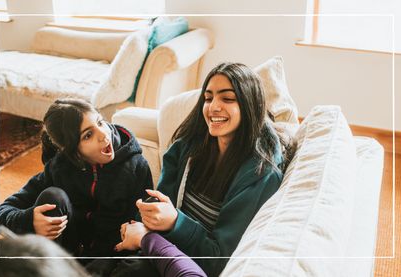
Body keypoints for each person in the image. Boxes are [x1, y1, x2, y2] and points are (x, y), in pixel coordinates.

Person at [116, 62, 295, 276]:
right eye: (208, 98)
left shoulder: (260, 175)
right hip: (155, 249)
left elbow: (218, 259)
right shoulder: (188, 146)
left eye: (227, 98)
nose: (213, 106)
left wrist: (174, 222)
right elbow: (159, 199)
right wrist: (141, 220)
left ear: (249, 105)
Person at [0, 98, 153, 258]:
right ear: (72, 151)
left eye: (100, 122)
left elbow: (142, 226)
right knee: (53, 196)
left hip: (110, 257)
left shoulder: (136, 167)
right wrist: (30, 220)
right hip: (63, 256)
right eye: (88, 135)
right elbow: (0, 215)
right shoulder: (59, 168)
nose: (103, 135)